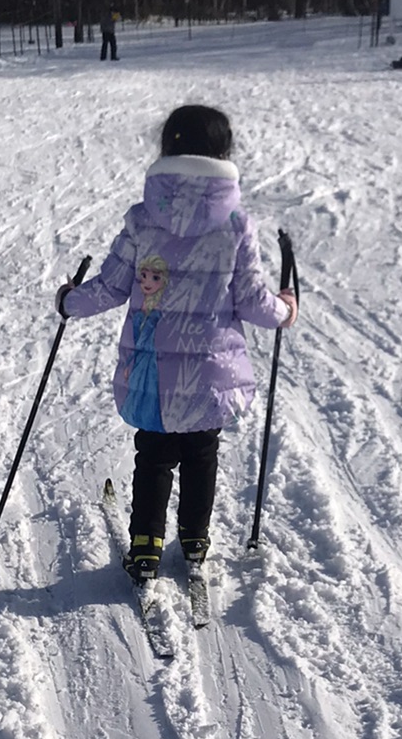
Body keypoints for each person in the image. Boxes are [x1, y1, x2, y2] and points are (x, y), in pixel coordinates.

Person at [56, 104, 297, 582]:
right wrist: (286, 309)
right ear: (224, 152)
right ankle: (194, 538)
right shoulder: (234, 225)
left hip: (153, 374)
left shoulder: (144, 220)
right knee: (202, 451)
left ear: (166, 149)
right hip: (210, 374)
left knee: (155, 452)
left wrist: (68, 301)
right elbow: (251, 301)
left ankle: (145, 544)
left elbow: (108, 287)